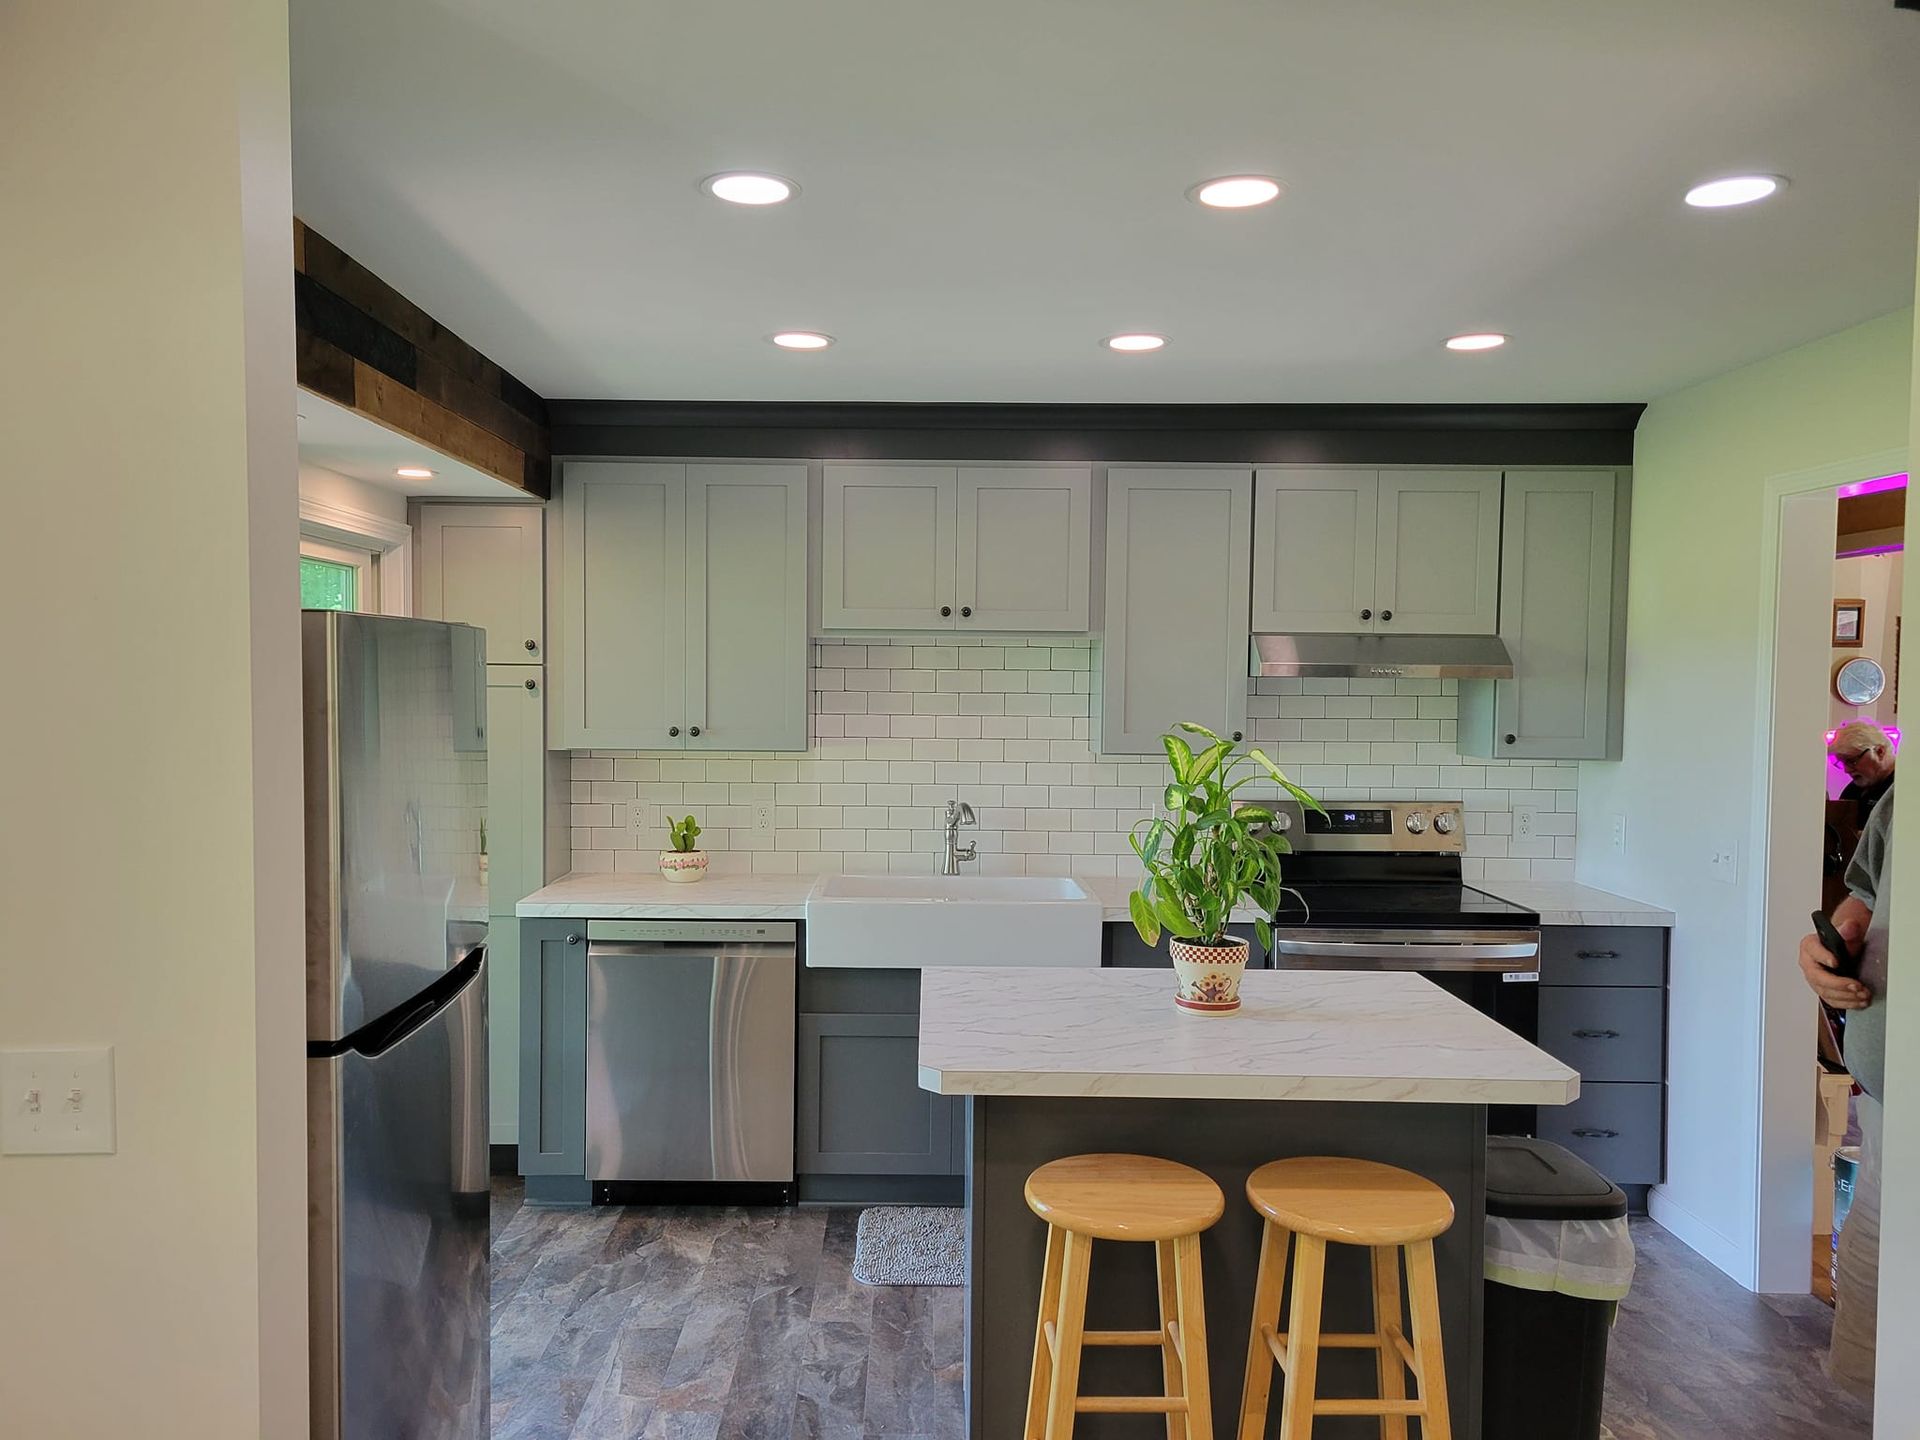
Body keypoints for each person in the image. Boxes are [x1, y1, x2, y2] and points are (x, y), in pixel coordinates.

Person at [1798, 786, 1892, 1397]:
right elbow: (1864, 898)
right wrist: (1827, 948)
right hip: (1884, 1110)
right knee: (1872, 1384)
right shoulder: (1902, 800)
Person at [1829, 718, 1896, 814]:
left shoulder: (1904, 788)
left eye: (1852, 761)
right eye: (1842, 763)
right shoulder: (1852, 791)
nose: (1846, 770)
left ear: (1879, 751)